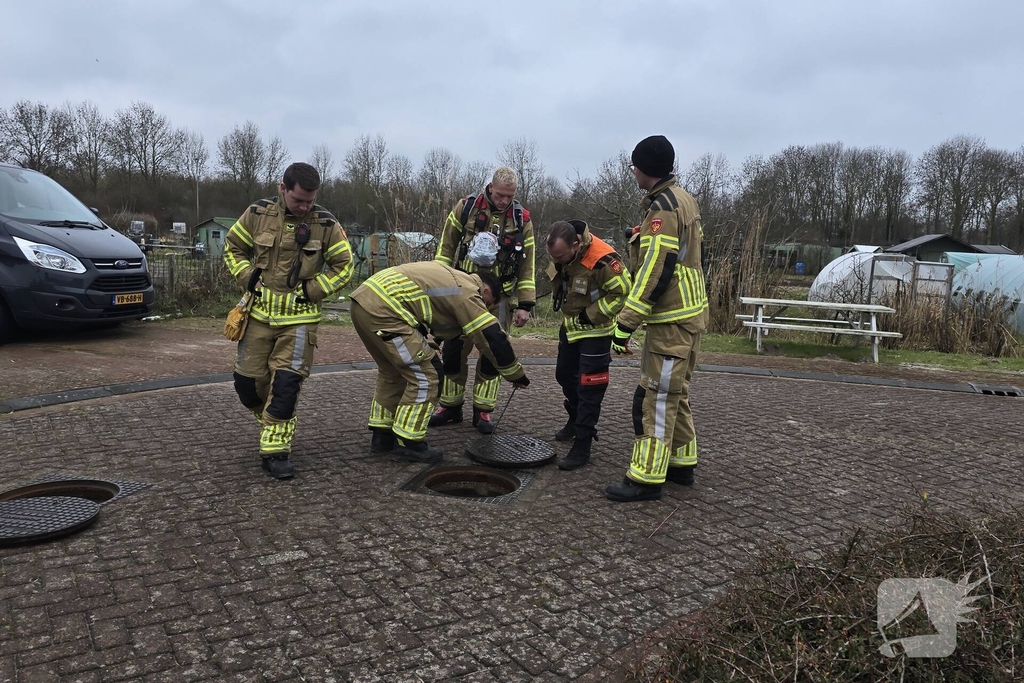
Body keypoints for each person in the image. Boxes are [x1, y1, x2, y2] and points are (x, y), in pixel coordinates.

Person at [223, 162, 354, 479]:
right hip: (258, 316)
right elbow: (233, 246)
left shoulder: (325, 223)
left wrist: (315, 289)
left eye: (310, 201)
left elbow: (345, 265)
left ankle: (276, 451)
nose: (305, 207)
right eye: (299, 200)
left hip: (300, 320)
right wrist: (247, 276)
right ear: (283, 189)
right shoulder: (258, 213)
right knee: (247, 385)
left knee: (285, 386)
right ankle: (273, 423)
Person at [605, 136, 709, 502]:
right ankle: (682, 464)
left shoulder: (662, 208)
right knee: (675, 392)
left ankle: (646, 478)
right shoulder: (682, 198)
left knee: (656, 397)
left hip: (671, 319)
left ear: (643, 168)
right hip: (689, 314)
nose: (632, 171)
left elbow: (657, 269)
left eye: (634, 165)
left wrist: (626, 321)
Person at [350, 261, 530, 462]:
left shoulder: (450, 276)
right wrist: (516, 374)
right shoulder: (469, 292)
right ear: (486, 289)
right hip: (386, 311)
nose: (485, 307)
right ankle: (409, 441)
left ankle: (382, 436)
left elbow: (433, 313)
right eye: (488, 302)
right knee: (428, 375)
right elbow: (491, 336)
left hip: (362, 302)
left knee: (393, 372)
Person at [430, 166, 536, 434]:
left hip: (499, 298)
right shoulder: (465, 208)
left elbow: (528, 265)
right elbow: (445, 249)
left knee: (493, 353)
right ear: (490, 186)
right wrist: (439, 290)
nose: (503, 201)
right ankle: (450, 406)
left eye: (509, 197)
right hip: (461, 293)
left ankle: (483, 412)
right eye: (500, 195)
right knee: (454, 350)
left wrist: (525, 304)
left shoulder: (521, 219)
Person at [546, 220, 631, 470]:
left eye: (561, 256)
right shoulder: (559, 253)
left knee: (589, 389)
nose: (557, 261)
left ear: (576, 245)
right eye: (553, 257)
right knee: (563, 375)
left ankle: (583, 444)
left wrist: (590, 315)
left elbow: (623, 293)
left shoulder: (603, 260)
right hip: (571, 328)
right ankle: (575, 419)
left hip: (597, 331)